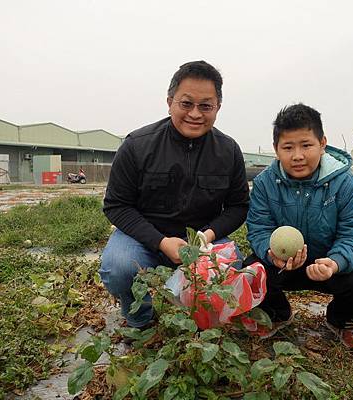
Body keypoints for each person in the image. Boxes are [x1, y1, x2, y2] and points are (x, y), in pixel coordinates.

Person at [100, 60, 250, 329]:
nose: (195, 113)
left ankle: (198, 326)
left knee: (232, 266)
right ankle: (140, 322)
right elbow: (117, 206)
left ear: (217, 107)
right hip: (144, 238)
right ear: (170, 102)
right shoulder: (137, 145)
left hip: (202, 239)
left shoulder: (228, 150)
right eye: (186, 104)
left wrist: (208, 235)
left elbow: (238, 206)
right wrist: (159, 241)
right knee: (119, 267)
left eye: (206, 106)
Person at [245, 103, 353, 350]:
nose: (297, 155)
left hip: (329, 267)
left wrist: (336, 261)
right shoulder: (265, 183)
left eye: (306, 145)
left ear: (322, 144)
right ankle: (278, 315)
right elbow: (258, 228)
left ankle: (341, 320)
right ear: (276, 150)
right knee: (250, 271)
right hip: (283, 265)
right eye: (288, 147)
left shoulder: (344, 183)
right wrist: (270, 253)